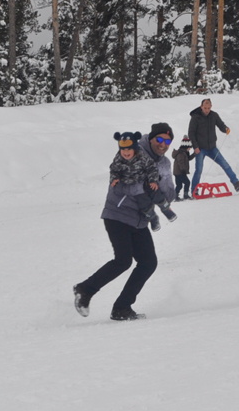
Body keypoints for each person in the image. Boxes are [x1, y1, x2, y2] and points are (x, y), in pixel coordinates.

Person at [73, 123, 176, 321]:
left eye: (167, 141)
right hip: (118, 214)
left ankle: (122, 308)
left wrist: (160, 183)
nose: (163, 145)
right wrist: (148, 187)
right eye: (160, 139)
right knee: (123, 260)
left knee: (148, 262)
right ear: (151, 138)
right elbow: (122, 185)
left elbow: (169, 194)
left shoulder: (164, 164)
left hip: (140, 219)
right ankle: (84, 289)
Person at [109, 131, 177, 231]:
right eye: (123, 149)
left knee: (155, 191)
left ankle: (166, 208)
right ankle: (153, 218)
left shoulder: (141, 156)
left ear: (135, 148)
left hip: (146, 181)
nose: (126, 152)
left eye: (129, 149)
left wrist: (153, 180)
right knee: (143, 203)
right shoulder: (118, 158)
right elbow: (114, 170)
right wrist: (114, 179)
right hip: (134, 186)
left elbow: (152, 168)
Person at [188, 98, 239, 196]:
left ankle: (236, 183)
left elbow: (221, 125)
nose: (207, 110)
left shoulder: (214, 115)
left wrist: (225, 129)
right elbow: (191, 133)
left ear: (211, 107)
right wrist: (195, 147)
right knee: (199, 169)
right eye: (205, 108)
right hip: (200, 148)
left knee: (225, 164)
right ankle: (194, 191)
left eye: (208, 108)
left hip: (212, 148)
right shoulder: (195, 117)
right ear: (201, 107)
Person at [171, 136, 196, 201]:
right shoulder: (181, 153)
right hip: (180, 172)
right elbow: (180, 162)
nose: (189, 149)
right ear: (186, 147)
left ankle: (175, 196)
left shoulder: (184, 153)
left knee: (179, 185)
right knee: (187, 182)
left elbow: (188, 158)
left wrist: (194, 154)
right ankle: (185, 195)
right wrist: (183, 170)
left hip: (177, 172)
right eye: (189, 148)